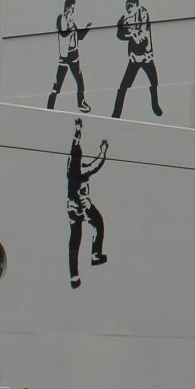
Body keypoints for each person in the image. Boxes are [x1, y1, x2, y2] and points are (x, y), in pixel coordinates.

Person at [65, 121, 109, 286]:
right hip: (82, 205)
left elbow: (75, 151)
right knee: (98, 225)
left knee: (75, 240)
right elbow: (95, 165)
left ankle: (74, 275)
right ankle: (95, 255)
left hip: (73, 206)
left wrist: (77, 134)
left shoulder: (72, 167)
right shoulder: (80, 170)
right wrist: (103, 152)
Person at [111, 0, 161, 118]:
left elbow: (142, 39)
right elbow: (119, 35)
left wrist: (130, 33)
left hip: (146, 56)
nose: (128, 9)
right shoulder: (126, 18)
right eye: (127, 6)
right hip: (134, 58)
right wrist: (125, 30)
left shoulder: (143, 13)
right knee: (123, 87)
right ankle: (116, 114)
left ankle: (155, 106)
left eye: (131, 6)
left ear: (137, 5)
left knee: (154, 82)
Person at [46, 0, 91, 112]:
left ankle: (81, 103)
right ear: (67, 7)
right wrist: (70, 27)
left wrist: (87, 28)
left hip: (74, 56)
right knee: (57, 85)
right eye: (72, 8)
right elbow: (63, 33)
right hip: (65, 56)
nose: (73, 11)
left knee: (80, 82)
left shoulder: (71, 20)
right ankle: (49, 107)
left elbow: (78, 37)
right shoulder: (61, 18)